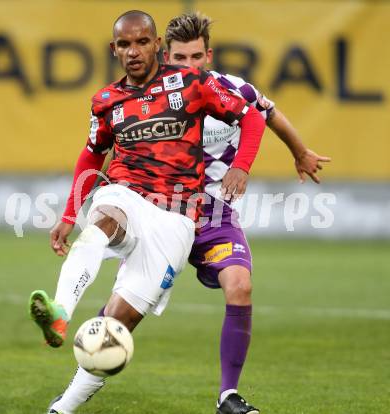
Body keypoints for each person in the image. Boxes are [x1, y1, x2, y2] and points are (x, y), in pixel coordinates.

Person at [30, 10, 266, 414]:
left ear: (157, 45)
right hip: (127, 194)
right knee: (105, 221)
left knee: (118, 324)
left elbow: (251, 117)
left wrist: (241, 165)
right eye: (124, 44)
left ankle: (62, 407)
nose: (133, 51)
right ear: (113, 49)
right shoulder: (106, 101)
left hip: (176, 217)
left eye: (142, 42)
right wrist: (69, 214)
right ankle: (61, 312)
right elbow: (90, 157)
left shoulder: (194, 84)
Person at [163, 13, 331, 414]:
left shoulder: (234, 89)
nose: (189, 67)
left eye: (196, 57)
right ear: (165, 58)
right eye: (180, 58)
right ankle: (84, 376)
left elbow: (267, 114)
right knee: (129, 302)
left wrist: (300, 152)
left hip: (215, 214)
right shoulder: (151, 99)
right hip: (163, 210)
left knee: (240, 284)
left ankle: (228, 396)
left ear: (209, 54)